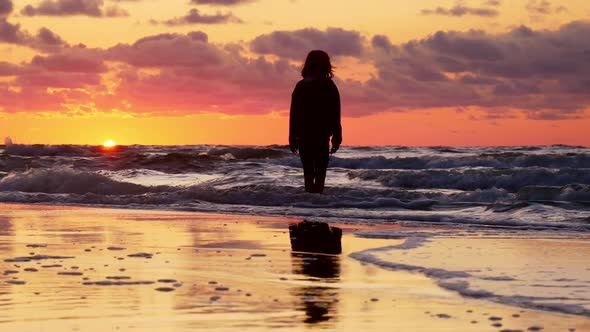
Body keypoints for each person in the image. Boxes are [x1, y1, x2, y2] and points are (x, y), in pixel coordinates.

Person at [289, 50, 342, 194]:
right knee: (319, 173)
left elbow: (294, 115)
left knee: (309, 173)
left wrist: (292, 137)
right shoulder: (328, 85)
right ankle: (316, 207)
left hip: (305, 136)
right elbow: (336, 113)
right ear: (327, 65)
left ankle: (310, 208)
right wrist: (337, 136)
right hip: (319, 136)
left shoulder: (301, 86)